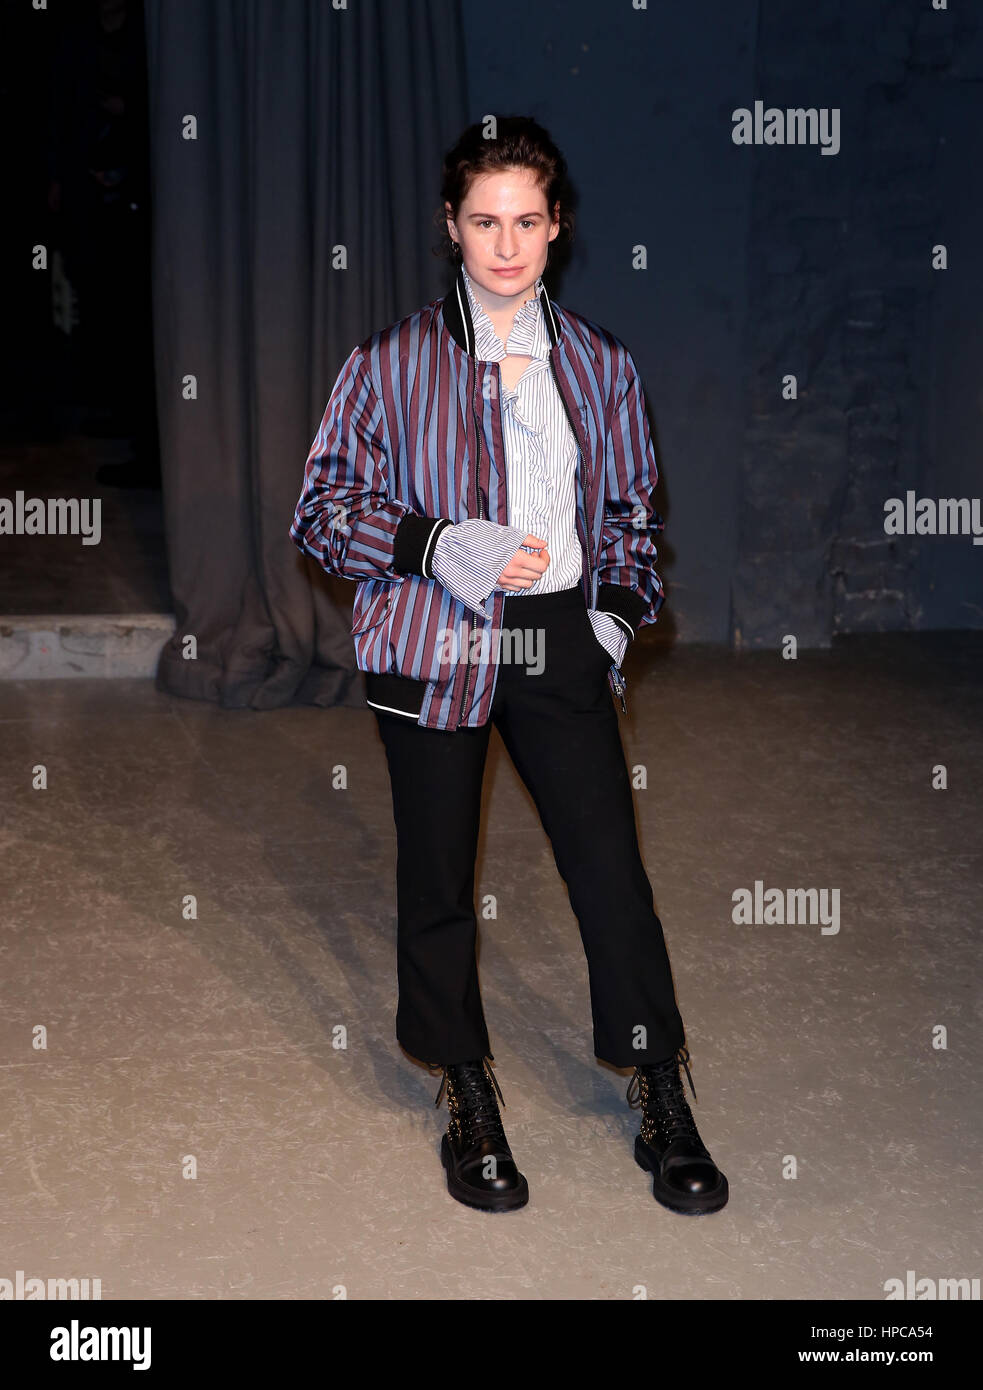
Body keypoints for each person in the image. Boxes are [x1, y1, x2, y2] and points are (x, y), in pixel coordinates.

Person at [290, 116, 728, 1216]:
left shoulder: (598, 364)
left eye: (525, 220)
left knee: (607, 873)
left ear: (555, 225)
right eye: (483, 220)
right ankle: (464, 1083)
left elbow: (629, 518)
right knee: (436, 878)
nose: (504, 244)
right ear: (450, 226)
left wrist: (612, 625)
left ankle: (655, 1080)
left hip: (556, 637)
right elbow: (320, 509)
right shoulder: (386, 364)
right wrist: (436, 542)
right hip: (436, 637)